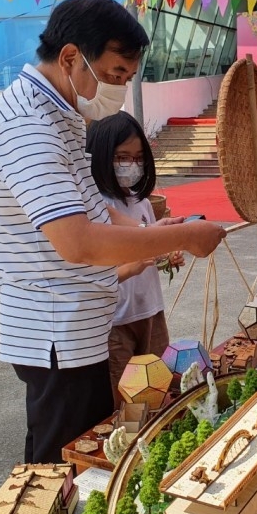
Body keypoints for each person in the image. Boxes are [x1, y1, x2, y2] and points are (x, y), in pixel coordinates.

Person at [0, 0, 225, 464]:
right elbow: (78, 241)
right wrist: (182, 238)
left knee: (74, 451)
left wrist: (157, 228)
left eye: (127, 80)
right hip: (55, 333)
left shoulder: (60, 115)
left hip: (76, 327)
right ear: (71, 57)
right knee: (62, 463)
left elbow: (94, 210)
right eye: (112, 76)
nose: (118, 91)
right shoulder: (28, 124)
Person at [87, 112, 183, 407]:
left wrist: (166, 255)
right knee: (127, 402)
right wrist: (133, 264)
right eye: (123, 157)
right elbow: (94, 270)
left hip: (150, 311)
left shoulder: (140, 201)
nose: (132, 165)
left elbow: (148, 243)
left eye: (139, 157)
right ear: (103, 156)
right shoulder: (96, 206)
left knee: (158, 389)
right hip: (117, 319)